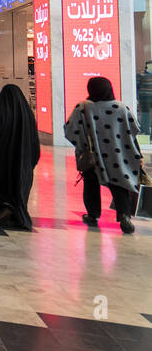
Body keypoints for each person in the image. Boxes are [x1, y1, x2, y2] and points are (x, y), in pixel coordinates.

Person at [65, 75, 144, 235]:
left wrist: (82, 146)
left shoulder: (83, 107)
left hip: (93, 157)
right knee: (120, 186)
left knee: (91, 185)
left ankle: (93, 215)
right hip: (117, 157)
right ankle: (124, 215)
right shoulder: (121, 108)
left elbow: (71, 131)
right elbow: (132, 133)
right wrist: (138, 155)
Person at [0, 83, 41, 231]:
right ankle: (15, 212)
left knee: (1, 187)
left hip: (1, 160)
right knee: (18, 187)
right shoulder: (27, 115)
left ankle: (6, 210)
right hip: (22, 161)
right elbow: (34, 140)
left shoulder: (0, 113)